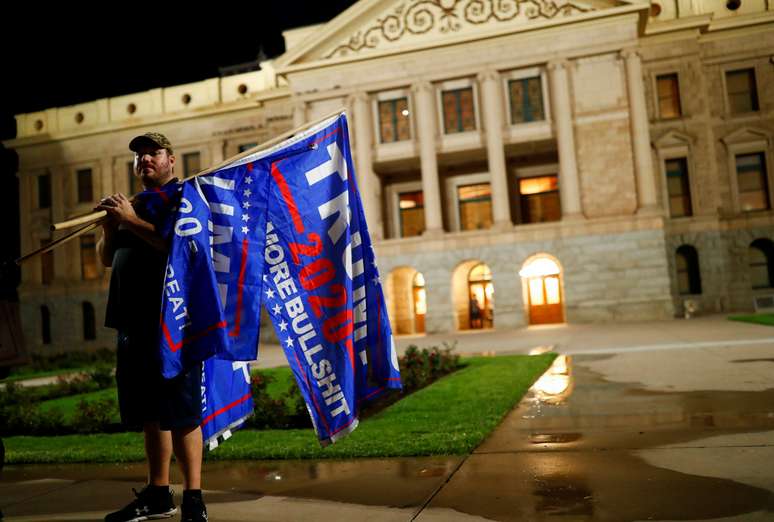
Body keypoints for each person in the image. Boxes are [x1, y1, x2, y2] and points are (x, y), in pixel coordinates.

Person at [96, 132, 207, 522]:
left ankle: (194, 498)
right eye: (140, 156)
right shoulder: (137, 203)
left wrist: (129, 218)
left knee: (182, 411)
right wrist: (113, 227)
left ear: (171, 160)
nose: (145, 160)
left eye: (153, 153)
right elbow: (108, 258)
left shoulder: (184, 199)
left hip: (171, 322)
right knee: (150, 413)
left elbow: (177, 246)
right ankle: (158, 493)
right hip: (132, 322)